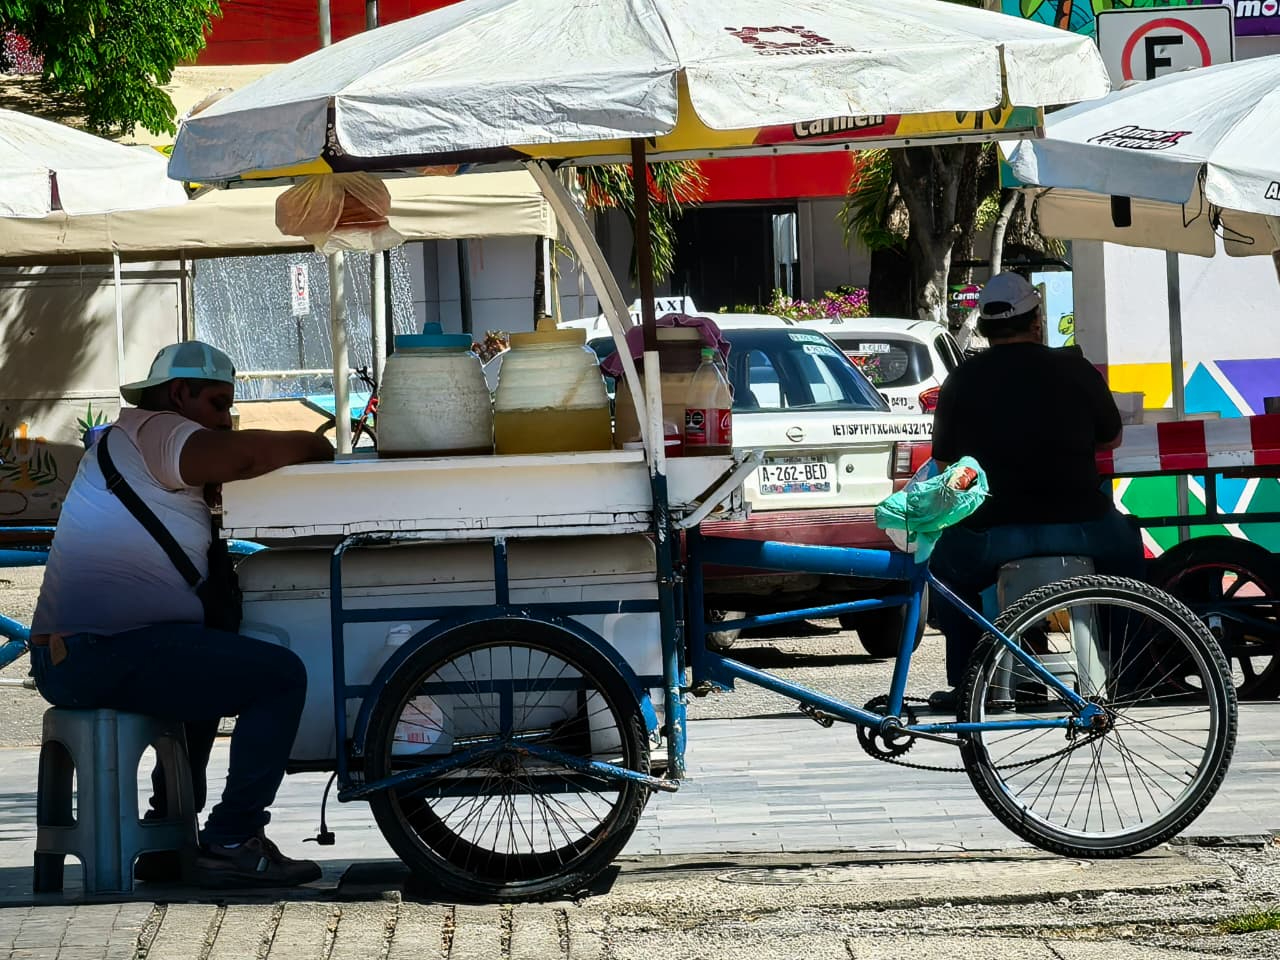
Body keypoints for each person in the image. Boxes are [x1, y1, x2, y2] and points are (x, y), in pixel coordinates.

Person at [29, 341, 336, 888]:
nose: (224, 420)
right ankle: (233, 839)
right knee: (279, 676)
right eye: (217, 404)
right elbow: (244, 456)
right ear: (179, 394)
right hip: (99, 650)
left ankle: (168, 837)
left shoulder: (130, 442)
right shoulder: (156, 430)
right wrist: (316, 445)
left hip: (82, 654)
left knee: (210, 658)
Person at [926, 273, 1143, 711]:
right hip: (1084, 527)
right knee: (1128, 563)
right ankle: (1131, 672)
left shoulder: (962, 380)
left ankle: (969, 683)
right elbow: (1113, 437)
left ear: (985, 327)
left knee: (943, 571)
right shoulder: (1074, 369)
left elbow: (947, 465)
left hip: (992, 535)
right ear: (1036, 321)